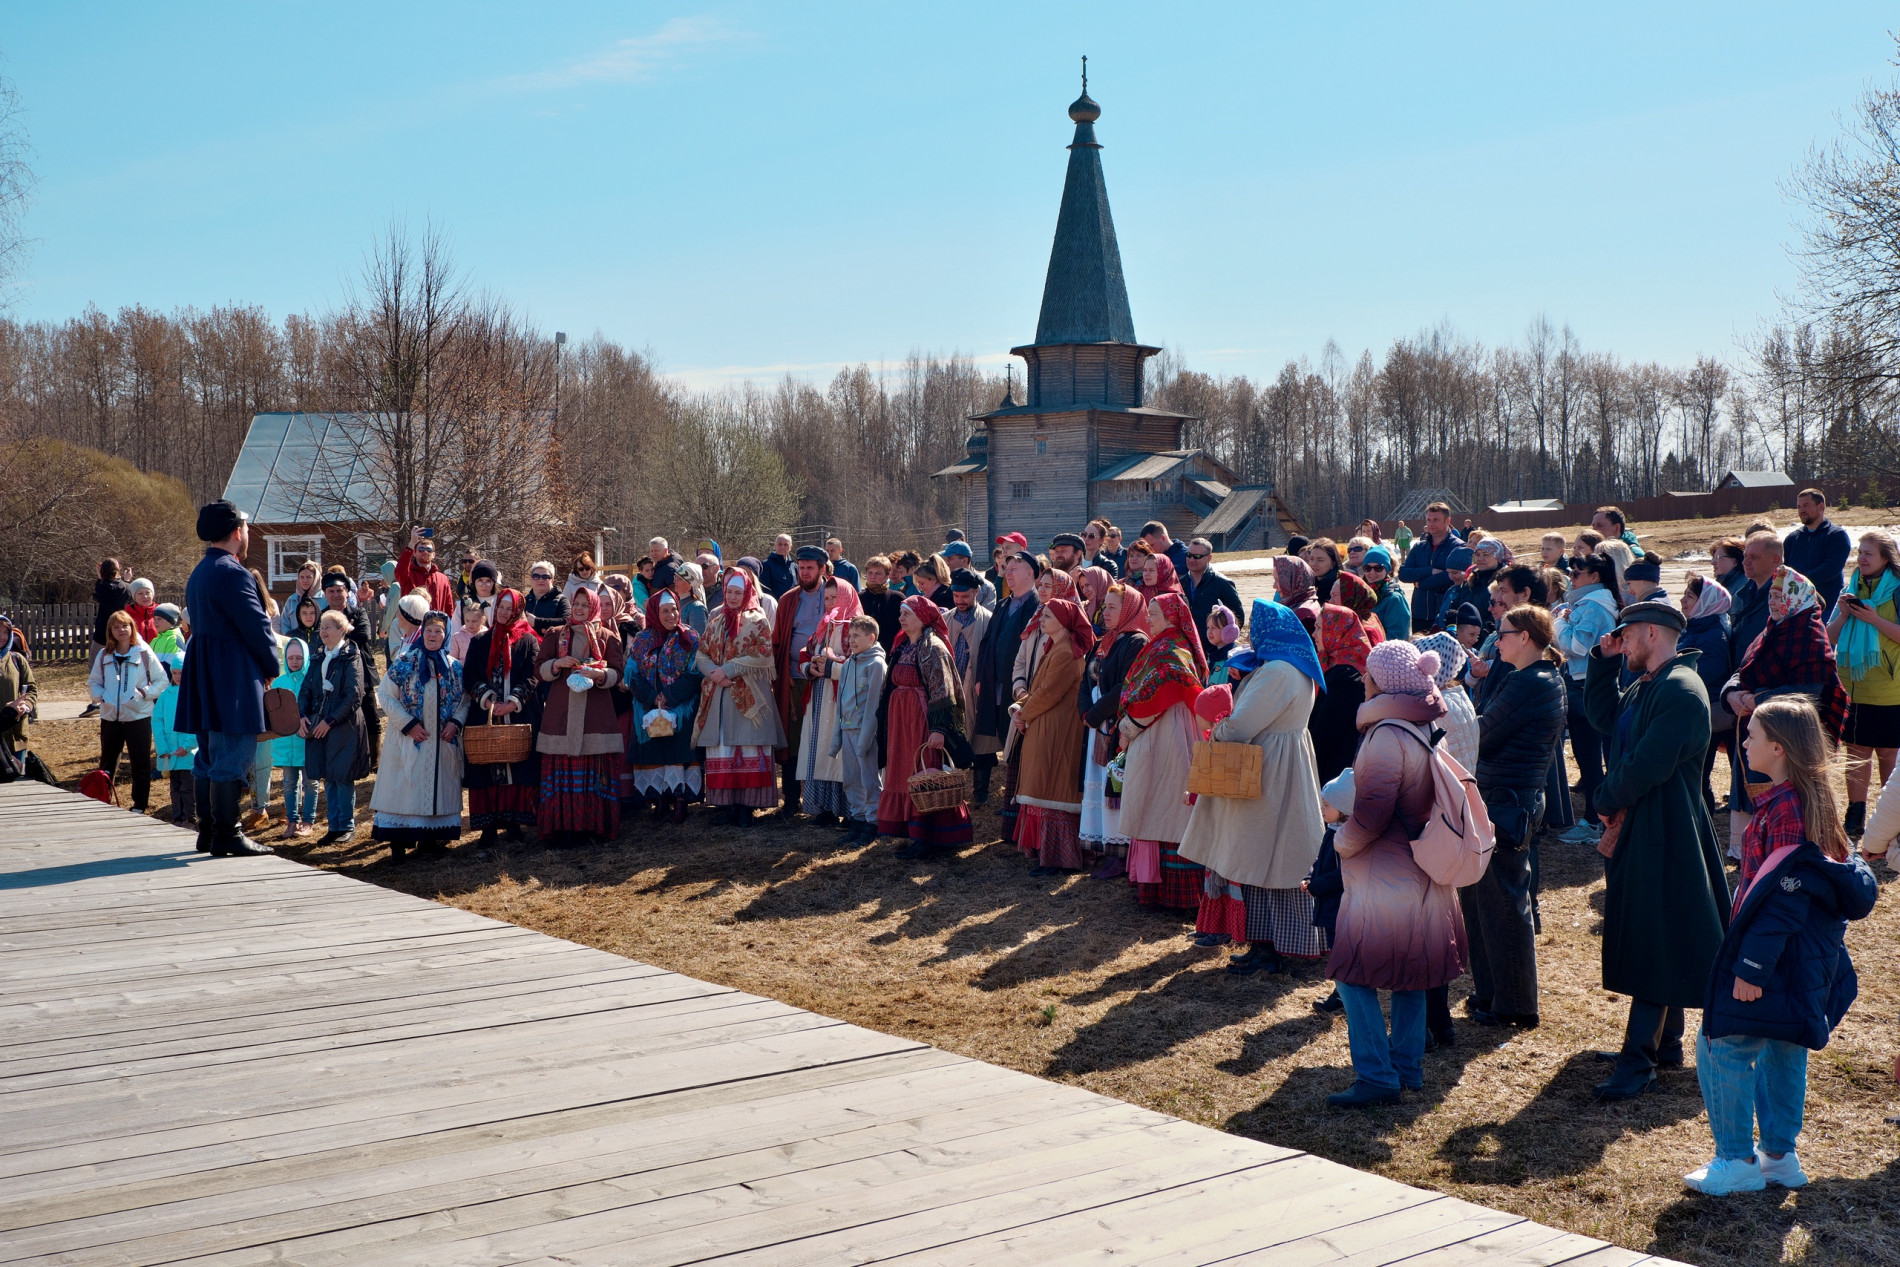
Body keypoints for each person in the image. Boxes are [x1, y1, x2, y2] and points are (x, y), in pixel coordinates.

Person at [1685, 696, 1875, 1196]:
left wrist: (1750, 968)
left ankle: (1736, 1160)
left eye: (1752, 735)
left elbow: (1781, 904)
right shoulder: (1806, 804)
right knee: (1785, 1049)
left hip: (1774, 962)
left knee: (1721, 1046)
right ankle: (1779, 1156)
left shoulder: (1786, 811)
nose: (1743, 741)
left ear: (1779, 747)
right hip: (1803, 964)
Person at [1582, 599, 1730, 1099]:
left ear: (1649, 633)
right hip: (1646, 822)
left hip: (1668, 826)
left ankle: (1639, 1059)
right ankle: (1665, 1044)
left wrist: (1602, 797)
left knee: (1656, 933)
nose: (1619, 642)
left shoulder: (1682, 689)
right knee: (1657, 926)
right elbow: (1604, 717)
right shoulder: (1648, 684)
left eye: (1624, 636)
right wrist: (1603, 665)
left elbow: (1648, 764)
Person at [1326, 639, 1466, 1108]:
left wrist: (1340, 842)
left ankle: (1376, 1076)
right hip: (1419, 869)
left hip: (1384, 874)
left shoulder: (1387, 734)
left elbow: (1370, 816)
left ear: (1379, 680)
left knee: (1352, 974)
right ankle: (1407, 1070)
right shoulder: (1421, 724)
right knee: (1411, 973)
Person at [1182, 599, 1327, 974]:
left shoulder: (1277, 671)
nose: (1252, 637)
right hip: (1280, 763)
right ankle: (1266, 945)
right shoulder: (1295, 667)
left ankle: (1272, 948)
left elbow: (1241, 727)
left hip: (1269, 769)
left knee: (1265, 855)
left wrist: (1218, 730)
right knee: (1266, 854)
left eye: (1256, 629)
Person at [1465, 605, 1567, 1030]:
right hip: (1507, 797)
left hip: (1509, 802)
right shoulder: (1535, 678)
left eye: (1502, 633)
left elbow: (1483, 736)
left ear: (1525, 636)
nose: (1496, 639)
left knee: (1504, 903)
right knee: (1485, 900)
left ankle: (1515, 1005)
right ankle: (1492, 994)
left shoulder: (1531, 682)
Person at [175, 502, 281, 856]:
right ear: (238, 532)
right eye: (247, 529)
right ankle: (227, 834)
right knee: (233, 753)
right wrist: (271, 667)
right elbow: (258, 628)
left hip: (205, 669)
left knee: (208, 755)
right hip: (231, 673)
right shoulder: (233, 573)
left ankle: (208, 832)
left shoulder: (200, 571)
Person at [1723, 565, 1851, 857]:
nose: (1773, 600)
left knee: (1787, 795)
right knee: (1750, 786)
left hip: (1791, 736)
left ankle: (1783, 850)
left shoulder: (1810, 635)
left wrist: (1758, 700)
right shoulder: (1771, 630)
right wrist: (1732, 694)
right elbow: (1742, 670)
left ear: (1798, 598)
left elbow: (1809, 690)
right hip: (1755, 728)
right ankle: (1747, 849)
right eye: (1771, 593)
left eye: (1781, 595)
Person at [1118, 593, 1207, 911]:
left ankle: (1166, 889)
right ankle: (1160, 885)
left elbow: (1157, 695)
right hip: (1169, 733)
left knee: (1160, 801)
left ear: (1171, 617)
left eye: (1153, 613)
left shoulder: (1169, 650)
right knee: (1162, 803)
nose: (1148, 619)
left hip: (1165, 734)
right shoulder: (1172, 645)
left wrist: (1127, 729)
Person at [874, 595, 975, 859]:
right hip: (900, 721)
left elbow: (944, 691)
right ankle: (909, 830)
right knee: (903, 770)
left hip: (921, 720)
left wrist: (939, 729)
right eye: (900, 613)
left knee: (923, 769)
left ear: (921, 617)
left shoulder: (933, 647)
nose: (901, 618)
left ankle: (928, 836)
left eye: (906, 613)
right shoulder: (902, 645)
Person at [370, 610, 467, 859]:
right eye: (429, 630)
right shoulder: (406, 661)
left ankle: (430, 840)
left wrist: (455, 723)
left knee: (436, 786)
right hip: (408, 739)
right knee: (404, 786)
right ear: (422, 633)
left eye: (439, 631)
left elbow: (465, 701)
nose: (433, 635)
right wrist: (408, 723)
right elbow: (385, 695)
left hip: (442, 742)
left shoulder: (454, 667)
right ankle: (398, 843)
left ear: (445, 636)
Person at [532, 587, 624, 845]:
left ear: (594, 607)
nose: (580, 608)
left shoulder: (607, 637)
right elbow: (539, 670)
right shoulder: (555, 635)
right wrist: (557, 664)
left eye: (585, 604)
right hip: (561, 714)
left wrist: (600, 675)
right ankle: (562, 828)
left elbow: (618, 671)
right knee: (563, 768)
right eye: (577, 603)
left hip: (595, 714)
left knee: (594, 770)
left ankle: (593, 828)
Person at [1825, 531, 1900, 840]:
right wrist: (1843, 615)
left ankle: (1891, 820)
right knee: (1856, 754)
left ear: (1886, 558)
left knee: (1888, 756)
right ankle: (1855, 813)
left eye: (1869, 553)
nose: (1862, 558)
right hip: (1853, 687)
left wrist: (1873, 619)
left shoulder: (1897, 592)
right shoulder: (1849, 588)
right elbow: (1828, 638)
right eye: (1860, 551)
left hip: (1890, 690)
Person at [694, 570, 784, 825]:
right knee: (724, 746)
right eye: (729, 592)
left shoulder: (757, 620)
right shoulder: (716, 620)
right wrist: (714, 674)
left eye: (738, 592)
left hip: (748, 695)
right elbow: (701, 653)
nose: (732, 597)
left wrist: (728, 670)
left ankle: (748, 806)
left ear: (747, 593)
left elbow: (763, 654)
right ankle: (728, 805)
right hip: (721, 693)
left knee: (747, 745)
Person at [1011, 598, 1093, 874]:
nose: (1041, 620)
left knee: (1053, 784)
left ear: (1064, 621)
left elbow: (1049, 692)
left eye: (1047, 616)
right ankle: (1044, 852)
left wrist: (1024, 714)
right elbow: (1040, 689)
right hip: (1046, 723)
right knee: (1043, 783)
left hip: (1058, 727)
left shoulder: (1066, 651)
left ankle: (1057, 857)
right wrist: (1020, 707)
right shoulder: (1055, 647)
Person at [460, 588, 542, 842]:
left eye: (510, 608)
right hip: (485, 714)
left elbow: (533, 674)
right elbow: (470, 675)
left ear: (518, 611)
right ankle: (488, 827)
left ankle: (514, 822)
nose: (505, 612)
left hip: (517, 714)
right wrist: (488, 699)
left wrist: (512, 702)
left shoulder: (527, 641)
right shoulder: (480, 641)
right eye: (501, 607)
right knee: (486, 764)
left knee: (516, 764)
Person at [1551, 551, 1622, 841]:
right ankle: (1598, 820)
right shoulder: (1591, 602)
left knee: (1591, 757)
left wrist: (1559, 623)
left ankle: (1595, 822)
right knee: (1589, 756)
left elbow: (1578, 647)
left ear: (1594, 577)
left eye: (1576, 574)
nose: (1571, 579)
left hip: (1585, 686)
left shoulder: (1593, 606)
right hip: (1584, 684)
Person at [1078, 583, 1147, 875]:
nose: (1105, 612)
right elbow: (1086, 678)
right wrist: (1085, 711)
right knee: (1097, 784)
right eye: (1104, 606)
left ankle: (1119, 854)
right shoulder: (1104, 640)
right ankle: (1099, 845)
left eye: (1113, 607)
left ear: (1129, 609)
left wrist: (1094, 713)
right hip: (1096, 725)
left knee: (1113, 787)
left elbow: (1126, 687)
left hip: (1115, 726)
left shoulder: (1136, 642)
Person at [624, 591, 703, 825]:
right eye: (665, 611)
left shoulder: (690, 637)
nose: (671, 615)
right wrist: (651, 698)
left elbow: (695, 673)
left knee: (678, 751)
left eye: (675, 609)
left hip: (681, 706)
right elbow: (632, 673)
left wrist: (669, 697)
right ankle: (659, 800)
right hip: (648, 706)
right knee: (654, 750)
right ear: (654, 613)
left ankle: (680, 801)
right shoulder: (641, 640)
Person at [972, 551, 1042, 813]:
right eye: (1006, 568)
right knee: (1002, 737)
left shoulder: (1038, 605)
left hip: (1022, 687)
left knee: (1021, 743)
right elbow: (987, 642)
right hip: (997, 685)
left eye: (1015, 568)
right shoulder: (1002, 605)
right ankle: (1006, 799)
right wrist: (982, 678)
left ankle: (1019, 800)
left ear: (1031, 573)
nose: (1008, 573)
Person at [795, 576, 863, 822]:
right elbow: (806, 651)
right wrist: (808, 668)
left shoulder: (858, 628)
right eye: (827, 598)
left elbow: (861, 665)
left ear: (846, 597)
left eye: (835, 597)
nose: (830, 602)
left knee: (838, 751)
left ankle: (846, 808)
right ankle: (824, 808)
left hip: (841, 699)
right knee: (819, 748)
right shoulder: (824, 625)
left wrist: (830, 667)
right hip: (819, 694)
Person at [298, 609, 368, 844]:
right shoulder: (318, 656)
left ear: (341, 630)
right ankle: (334, 826)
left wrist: (330, 721)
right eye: (322, 627)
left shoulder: (351, 656)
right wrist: (301, 716)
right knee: (328, 775)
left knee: (342, 776)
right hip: (319, 724)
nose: (323, 631)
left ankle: (346, 826)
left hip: (343, 725)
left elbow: (354, 695)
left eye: (328, 627)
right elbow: (306, 689)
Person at [770, 546, 831, 817]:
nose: (804, 572)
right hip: (794, 679)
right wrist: (783, 674)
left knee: (825, 739)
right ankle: (792, 800)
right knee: (792, 742)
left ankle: (823, 802)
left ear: (822, 570)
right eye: (801, 567)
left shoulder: (835, 594)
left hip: (828, 680)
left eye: (810, 568)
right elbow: (778, 641)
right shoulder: (787, 600)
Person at [89, 609, 167, 815]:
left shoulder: (143, 652)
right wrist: (102, 696)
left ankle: (140, 804)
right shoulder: (104, 654)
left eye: (125, 625)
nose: (121, 630)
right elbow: (94, 682)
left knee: (139, 762)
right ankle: (103, 800)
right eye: (116, 627)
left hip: (138, 716)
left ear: (132, 628)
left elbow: (162, 680)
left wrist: (143, 693)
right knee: (107, 761)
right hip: (110, 717)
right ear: (110, 631)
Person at [1679, 574, 1736, 816]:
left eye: (1690, 597)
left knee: (1700, 769)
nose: (1682, 600)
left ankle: (1702, 818)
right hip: (1700, 707)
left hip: (1709, 709)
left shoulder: (1714, 634)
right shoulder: (1697, 625)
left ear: (1706, 602)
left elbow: (1704, 674)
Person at [830, 614, 887, 845]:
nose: (851, 640)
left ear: (871, 638)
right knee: (852, 779)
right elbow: (841, 705)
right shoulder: (847, 665)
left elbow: (873, 704)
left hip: (866, 733)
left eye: (857, 636)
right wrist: (837, 736)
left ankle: (874, 822)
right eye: (850, 635)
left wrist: (865, 737)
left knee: (869, 779)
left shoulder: (876, 665)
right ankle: (858, 819)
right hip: (848, 730)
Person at [1308, 602, 1371, 784]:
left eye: (1319, 628)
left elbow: (1326, 732)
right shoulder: (1338, 663)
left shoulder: (1345, 674)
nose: (1314, 634)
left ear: (1335, 631)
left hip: (1335, 770)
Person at [148, 604, 196, 824]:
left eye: (181, 673)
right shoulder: (166, 695)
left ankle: (189, 817)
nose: (178, 676)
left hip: (187, 754)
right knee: (174, 787)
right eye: (175, 673)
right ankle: (177, 816)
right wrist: (163, 747)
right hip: (169, 752)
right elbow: (157, 721)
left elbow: (196, 723)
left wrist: (186, 746)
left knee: (188, 787)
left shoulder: (194, 696)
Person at [269, 640, 317, 836]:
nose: (295, 662)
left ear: (305, 658)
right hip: (286, 742)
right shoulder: (279, 683)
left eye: (299, 658)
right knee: (289, 782)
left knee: (311, 782)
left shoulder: (313, 681)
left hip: (307, 740)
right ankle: (292, 819)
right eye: (291, 658)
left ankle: (308, 821)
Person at [1784, 488, 1852, 619]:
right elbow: (1786, 569)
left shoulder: (1836, 536)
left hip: (1827, 609)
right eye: (1799, 507)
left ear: (1821, 506)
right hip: (1797, 608)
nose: (1801, 510)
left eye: (1806, 505)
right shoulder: (1792, 539)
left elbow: (1831, 568)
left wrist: (1801, 581)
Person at [1397, 502, 1463, 634]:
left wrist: (1420, 583)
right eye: (1429, 520)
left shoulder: (1458, 547)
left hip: (1444, 612)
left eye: (1436, 520)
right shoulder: (1419, 547)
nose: (1431, 524)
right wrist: (1430, 571)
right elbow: (1403, 574)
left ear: (1448, 521)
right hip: (1419, 613)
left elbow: (1450, 577)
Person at [1183, 536, 1242, 648]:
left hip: (1214, 650)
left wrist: (1221, 642)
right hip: (1187, 649)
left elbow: (1237, 618)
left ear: (1209, 558)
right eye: (1189, 555)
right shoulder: (1180, 584)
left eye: (1197, 556)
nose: (1191, 560)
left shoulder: (1223, 583)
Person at [0, 613, 40, 780]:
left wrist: (27, 705)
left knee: (17, 781)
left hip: (17, 734)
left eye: (5, 632)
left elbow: (32, 688)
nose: (2, 637)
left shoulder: (17, 659)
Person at [395, 527, 456, 614]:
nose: (425, 552)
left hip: (436, 624)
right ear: (414, 553)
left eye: (429, 550)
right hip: (413, 624)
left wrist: (449, 625)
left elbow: (449, 606)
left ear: (434, 555)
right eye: (421, 550)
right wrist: (412, 543)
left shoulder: (443, 578)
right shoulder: (408, 575)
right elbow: (399, 571)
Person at [1360, 547, 1411, 644]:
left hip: (1385, 654)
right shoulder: (1360, 594)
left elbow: (1397, 637)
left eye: (1378, 568)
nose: (1372, 572)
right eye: (1367, 568)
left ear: (1387, 569)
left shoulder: (1395, 599)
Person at [858, 555, 905, 655]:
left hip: (891, 651)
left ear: (887, 576)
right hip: (864, 652)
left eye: (878, 573)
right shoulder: (859, 598)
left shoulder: (897, 598)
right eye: (870, 573)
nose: (873, 576)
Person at [522, 561, 570, 636]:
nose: (540, 580)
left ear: (552, 580)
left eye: (545, 577)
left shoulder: (561, 600)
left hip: (550, 645)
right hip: (527, 645)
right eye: (536, 576)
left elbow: (567, 621)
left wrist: (537, 622)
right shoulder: (524, 600)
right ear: (531, 579)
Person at [672, 561, 710, 636]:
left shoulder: (697, 608)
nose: (675, 580)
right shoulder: (676, 602)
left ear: (691, 584)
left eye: (680, 579)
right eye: (675, 577)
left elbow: (699, 637)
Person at [1303, 538, 1343, 604]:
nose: (1313, 564)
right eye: (1311, 559)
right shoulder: (1308, 583)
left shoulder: (1340, 586)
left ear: (1333, 563)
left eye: (1320, 560)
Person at [448, 597, 485, 662]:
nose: (470, 624)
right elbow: (452, 660)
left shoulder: (487, 636)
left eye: (474, 621)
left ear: (482, 620)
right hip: (462, 670)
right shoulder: (457, 637)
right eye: (467, 621)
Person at [761, 533, 797, 599]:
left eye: (786, 544)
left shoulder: (795, 567)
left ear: (790, 547)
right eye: (780, 544)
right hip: (776, 606)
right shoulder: (766, 565)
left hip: (793, 607)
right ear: (775, 545)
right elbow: (765, 590)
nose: (782, 547)